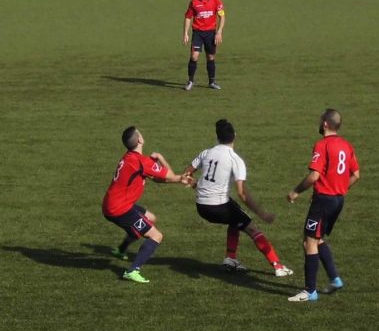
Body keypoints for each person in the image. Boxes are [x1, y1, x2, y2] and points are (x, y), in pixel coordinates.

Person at [182, 119, 293, 277]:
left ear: (217, 137)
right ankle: (278, 266)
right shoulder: (235, 159)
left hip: (201, 206)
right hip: (218, 207)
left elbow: (186, 174)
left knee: (235, 217)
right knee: (252, 228)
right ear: (235, 136)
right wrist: (263, 214)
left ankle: (230, 258)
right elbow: (242, 194)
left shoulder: (206, 153)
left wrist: (194, 185)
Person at [285, 109, 360, 302]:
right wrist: (339, 188)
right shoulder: (346, 145)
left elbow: (314, 176)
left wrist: (295, 191)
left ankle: (310, 291)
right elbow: (356, 175)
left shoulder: (322, 145)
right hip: (337, 200)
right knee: (316, 239)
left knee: (309, 241)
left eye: (320, 121)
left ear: (325, 123)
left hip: (324, 201)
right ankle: (335, 279)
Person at [102, 126, 193, 283]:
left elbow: (156, 178)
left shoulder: (130, 158)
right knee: (156, 236)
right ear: (140, 140)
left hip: (115, 204)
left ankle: (121, 249)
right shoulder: (142, 161)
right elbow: (169, 175)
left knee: (150, 218)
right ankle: (132, 270)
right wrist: (160, 158)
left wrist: (178, 179)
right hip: (119, 209)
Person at [182, 0, 225, 91]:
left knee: (210, 57)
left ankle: (212, 82)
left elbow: (222, 16)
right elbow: (188, 17)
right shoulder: (194, 2)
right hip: (198, 33)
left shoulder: (216, 1)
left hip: (211, 33)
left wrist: (219, 32)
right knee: (194, 56)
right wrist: (185, 33)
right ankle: (190, 81)